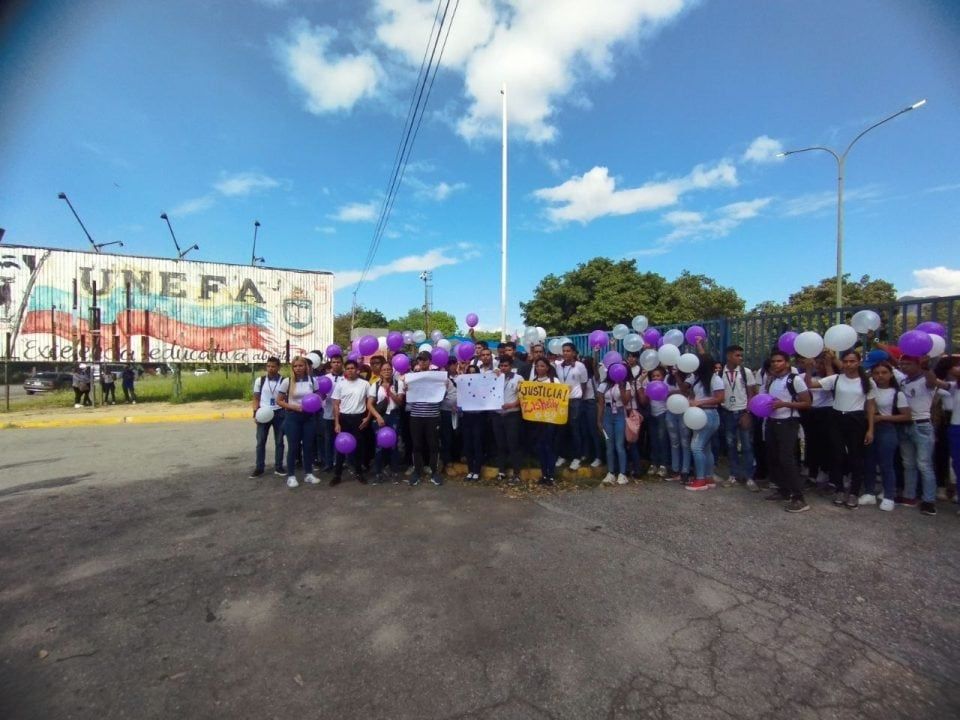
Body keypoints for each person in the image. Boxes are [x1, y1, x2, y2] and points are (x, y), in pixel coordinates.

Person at [803, 350, 877, 509]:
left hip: (856, 419)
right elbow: (810, 385)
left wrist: (870, 429)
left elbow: (870, 406)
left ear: (859, 362)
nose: (849, 365)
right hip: (836, 417)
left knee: (856, 456)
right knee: (836, 454)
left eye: (852, 361)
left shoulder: (867, 382)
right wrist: (809, 369)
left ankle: (854, 492)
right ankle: (839, 489)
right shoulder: (835, 379)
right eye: (846, 361)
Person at [763, 350, 812, 512]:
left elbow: (806, 403)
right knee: (774, 457)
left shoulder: (795, 380)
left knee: (787, 459)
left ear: (787, 363)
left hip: (788, 423)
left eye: (779, 361)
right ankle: (783, 490)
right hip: (772, 422)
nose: (776, 364)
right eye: (773, 362)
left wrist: (785, 404)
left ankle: (799, 497)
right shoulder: (771, 380)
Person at [862, 360, 911, 511]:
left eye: (884, 372)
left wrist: (882, 417)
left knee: (886, 463)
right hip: (869, 428)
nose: (880, 376)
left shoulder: (897, 393)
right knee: (869, 461)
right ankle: (869, 492)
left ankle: (889, 495)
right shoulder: (868, 390)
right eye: (876, 373)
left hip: (887, 428)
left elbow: (906, 416)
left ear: (891, 374)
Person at [896, 355, 940, 515]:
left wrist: (927, 367)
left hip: (921, 425)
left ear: (917, 364)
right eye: (902, 364)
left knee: (924, 464)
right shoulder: (903, 382)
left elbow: (932, 382)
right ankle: (909, 495)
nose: (904, 367)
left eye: (908, 364)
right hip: (905, 425)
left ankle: (929, 500)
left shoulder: (926, 379)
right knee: (908, 463)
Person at [276, 356, 320, 489]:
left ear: (306, 367)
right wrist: (293, 407)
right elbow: (279, 400)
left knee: (308, 447)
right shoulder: (287, 381)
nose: (298, 368)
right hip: (293, 417)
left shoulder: (313, 380)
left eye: (301, 365)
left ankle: (308, 474)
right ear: (292, 368)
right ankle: (291, 476)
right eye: (295, 366)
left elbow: (318, 397)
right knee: (293, 447)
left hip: (309, 418)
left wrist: (315, 405)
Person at [683, 352, 724, 491]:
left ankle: (700, 480)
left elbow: (720, 398)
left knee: (696, 447)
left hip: (709, 414)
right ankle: (708, 477)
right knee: (706, 448)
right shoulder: (697, 379)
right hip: (698, 414)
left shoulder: (715, 379)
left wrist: (699, 402)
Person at [403, 351, 444, 486]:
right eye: (420, 360)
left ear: (430, 361)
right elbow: (407, 398)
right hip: (416, 416)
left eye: (425, 360)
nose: (422, 362)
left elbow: (447, 390)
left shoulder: (438, 377)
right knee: (417, 445)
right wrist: (406, 389)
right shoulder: (412, 378)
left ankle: (434, 472)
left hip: (432, 416)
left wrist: (443, 386)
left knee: (433, 445)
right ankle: (417, 472)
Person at [720, 345, 757, 487]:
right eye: (737, 355)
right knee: (731, 445)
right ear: (728, 356)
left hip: (743, 412)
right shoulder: (719, 373)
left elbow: (751, 393)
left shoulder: (745, 372)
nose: (740, 358)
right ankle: (733, 474)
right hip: (727, 412)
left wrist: (748, 412)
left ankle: (749, 477)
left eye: (741, 355)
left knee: (747, 445)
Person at [331, 358, 371, 486]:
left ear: (357, 370)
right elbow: (336, 405)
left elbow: (370, 403)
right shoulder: (341, 384)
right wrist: (337, 423)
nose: (350, 370)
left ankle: (359, 473)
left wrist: (368, 418)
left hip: (359, 418)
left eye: (352, 368)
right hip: (344, 418)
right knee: (341, 447)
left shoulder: (364, 384)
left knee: (359, 447)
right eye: (347, 368)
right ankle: (337, 475)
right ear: (345, 370)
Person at [367, 361, 403, 483]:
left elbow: (399, 402)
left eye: (389, 369)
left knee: (393, 445)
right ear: (380, 372)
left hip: (394, 416)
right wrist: (377, 417)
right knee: (379, 445)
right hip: (380, 416)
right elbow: (370, 404)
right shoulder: (375, 385)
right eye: (384, 370)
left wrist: (389, 391)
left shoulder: (398, 384)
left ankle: (394, 472)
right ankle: (378, 472)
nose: (387, 371)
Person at [250, 356, 286, 478]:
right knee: (260, 441)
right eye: (268, 366)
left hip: (279, 413)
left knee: (279, 441)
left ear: (278, 367)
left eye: (273, 366)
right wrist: (255, 413)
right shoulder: (260, 381)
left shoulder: (284, 381)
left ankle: (279, 466)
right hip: (263, 413)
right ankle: (259, 467)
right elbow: (256, 398)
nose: (270, 369)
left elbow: (285, 398)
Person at [554, 342, 587, 471]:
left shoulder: (580, 366)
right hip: (562, 401)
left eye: (568, 351)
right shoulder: (558, 366)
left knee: (575, 429)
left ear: (574, 353)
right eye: (564, 351)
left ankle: (577, 458)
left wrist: (579, 397)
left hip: (575, 401)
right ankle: (562, 456)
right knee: (562, 429)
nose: (566, 353)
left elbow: (584, 383)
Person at [529, 358, 562, 486]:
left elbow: (561, 399)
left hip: (550, 419)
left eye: (542, 366)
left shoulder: (554, 381)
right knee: (540, 447)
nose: (539, 368)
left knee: (549, 446)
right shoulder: (532, 382)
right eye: (537, 366)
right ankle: (544, 474)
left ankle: (551, 474)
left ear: (547, 367)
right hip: (537, 420)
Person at [491, 357, 523, 484]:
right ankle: (501, 471)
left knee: (513, 444)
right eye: (502, 365)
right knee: (500, 444)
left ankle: (516, 473)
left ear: (511, 366)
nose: (504, 368)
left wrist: (512, 405)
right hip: (497, 415)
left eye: (506, 365)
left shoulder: (518, 378)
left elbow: (523, 397)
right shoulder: (495, 377)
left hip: (512, 415)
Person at [596, 371, 631, 485]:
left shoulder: (626, 384)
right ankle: (611, 472)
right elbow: (600, 404)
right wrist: (599, 420)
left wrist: (621, 387)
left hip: (620, 413)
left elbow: (626, 401)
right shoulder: (603, 385)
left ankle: (622, 473)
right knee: (609, 445)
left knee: (619, 445)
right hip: (607, 414)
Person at [640, 367, 670, 478]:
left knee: (662, 439)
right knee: (653, 440)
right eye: (653, 376)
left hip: (663, 414)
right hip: (652, 415)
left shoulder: (666, 386)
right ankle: (654, 463)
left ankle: (663, 464)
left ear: (663, 377)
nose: (655, 378)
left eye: (658, 376)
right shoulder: (649, 386)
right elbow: (644, 401)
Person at [318, 355, 343, 472]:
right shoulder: (325, 378)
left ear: (342, 363)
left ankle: (341, 462)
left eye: (338, 362)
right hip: (328, 413)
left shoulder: (347, 377)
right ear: (331, 364)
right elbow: (320, 396)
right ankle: (328, 463)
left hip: (343, 414)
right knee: (328, 440)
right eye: (334, 362)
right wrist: (322, 393)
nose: (336, 364)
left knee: (342, 439)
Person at [580, 356, 604, 468]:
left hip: (591, 404)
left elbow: (596, 371)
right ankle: (586, 454)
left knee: (593, 431)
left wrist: (596, 353)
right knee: (584, 431)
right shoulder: (582, 377)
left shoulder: (593, 377)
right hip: (582, 403)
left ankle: (598, 456)